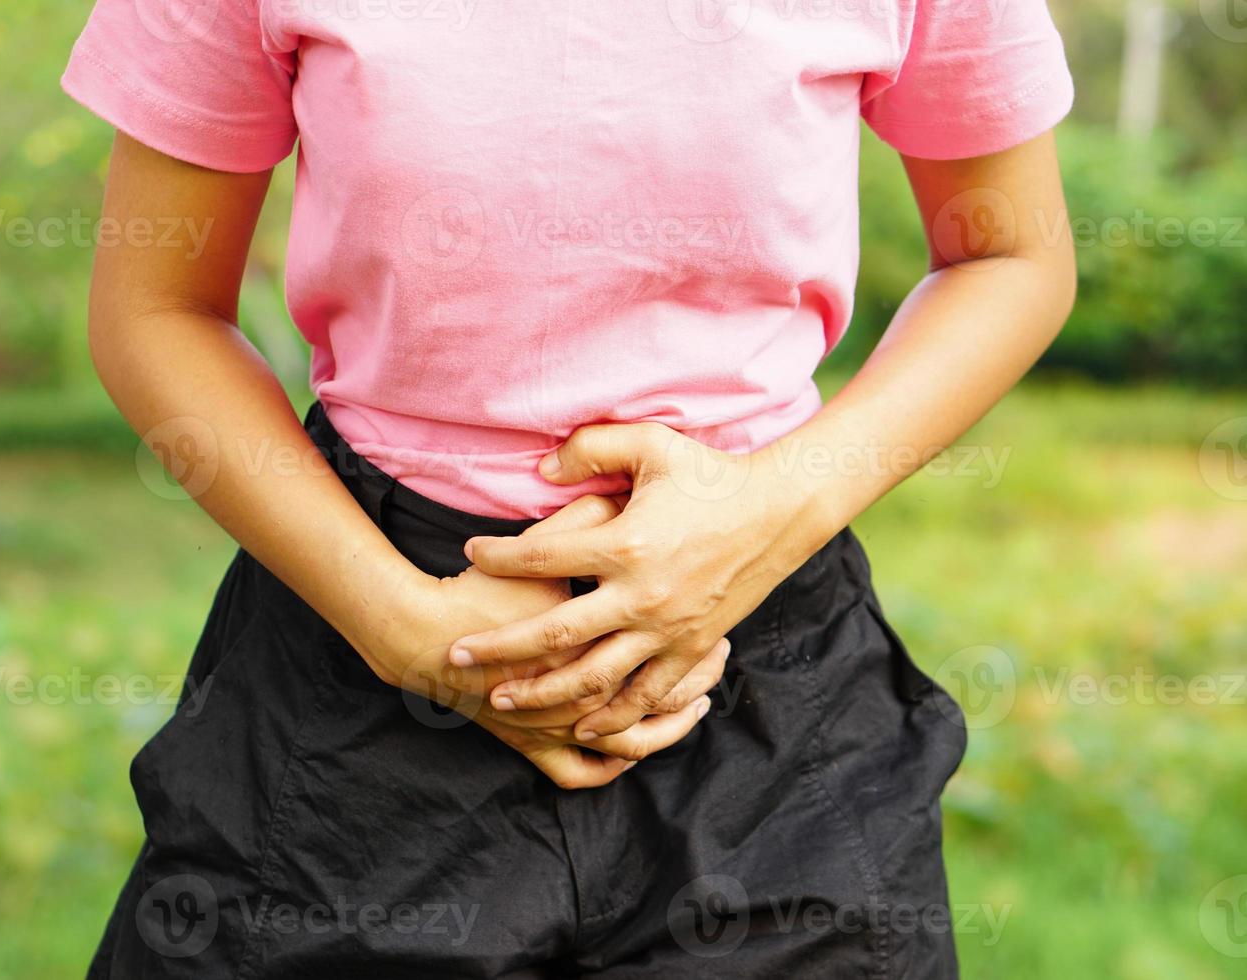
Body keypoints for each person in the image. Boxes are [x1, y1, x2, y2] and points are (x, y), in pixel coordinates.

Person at [61, 1, 1076, 975]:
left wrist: (770, 519)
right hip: (355, 689)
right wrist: (399, 621)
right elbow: (156, 307)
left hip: (768, 684)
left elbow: (1010, 254)